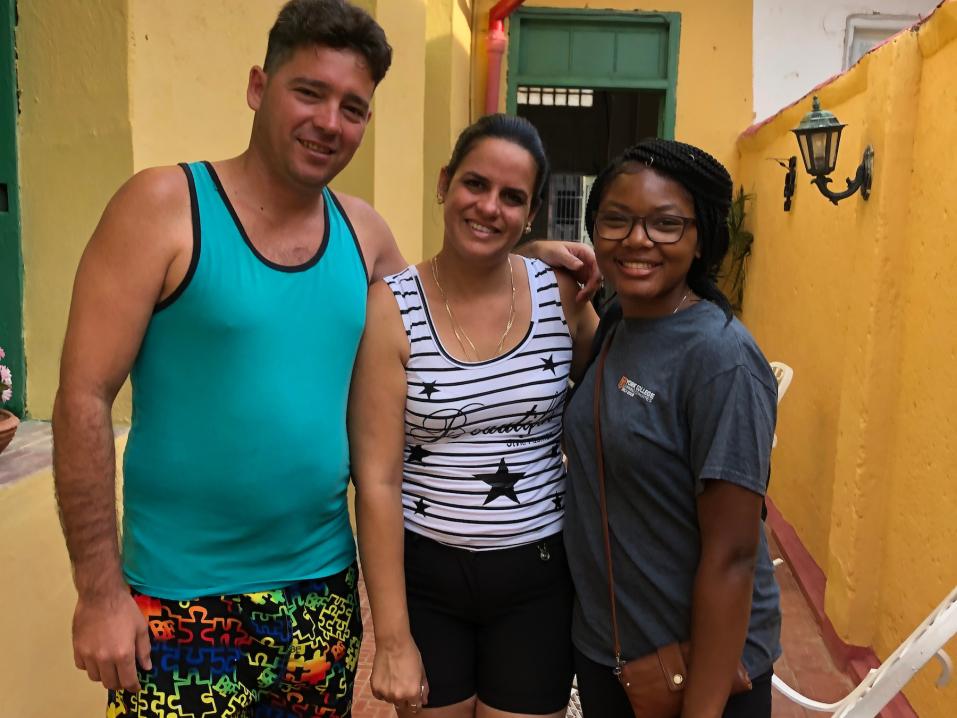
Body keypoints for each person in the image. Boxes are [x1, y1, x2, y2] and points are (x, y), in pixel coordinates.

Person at [51, 1, 598, 716]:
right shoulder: (164, 206)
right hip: (182, 599)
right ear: (258, 86)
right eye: (307, 91)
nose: (329, 122)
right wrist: (97, 591)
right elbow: (82, 397)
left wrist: (524, 257)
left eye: (352, 107)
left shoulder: (362, 231)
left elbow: (443, 301)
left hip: (322, 594)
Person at [350, 114, 599, 717]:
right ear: (445, 183)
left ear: (532, 211)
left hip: (538, 577)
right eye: (475, 184)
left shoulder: (559, 291)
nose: (489, 208)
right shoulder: (390, 308)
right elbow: (377, 481)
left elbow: (605, 402)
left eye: (512, 197)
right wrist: (393, 637)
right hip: (427, 577)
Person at [562, 139, 782, 718]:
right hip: (611, 653)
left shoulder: (721, 359)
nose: (637, 240)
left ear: (701, 237)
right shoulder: (616, 323)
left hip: (702, 673)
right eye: (616, 220)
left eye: (666, 224)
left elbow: (734, 554)